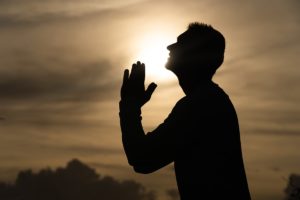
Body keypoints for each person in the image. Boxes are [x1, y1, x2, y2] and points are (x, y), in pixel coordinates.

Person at [119, 22, 251, 199]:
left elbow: (142, 159)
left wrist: (130, 105)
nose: (169, 46)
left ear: (196, 55)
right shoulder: (209, 100)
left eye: (180, 43)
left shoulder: (201, 104)